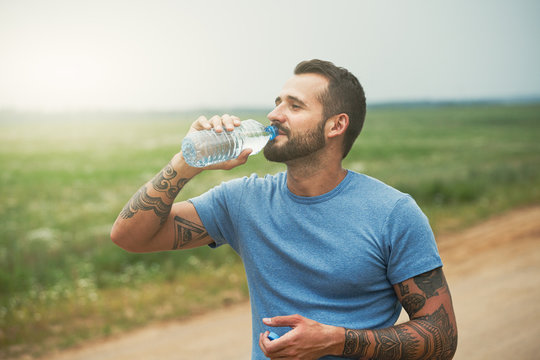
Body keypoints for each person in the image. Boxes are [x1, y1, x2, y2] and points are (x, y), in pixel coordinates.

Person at [111, 59, 458, 359]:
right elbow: (129, 237)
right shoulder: (243, 200)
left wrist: (335, 341)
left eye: (294, 106)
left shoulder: (393, 213)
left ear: (336, 125)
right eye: (277, 102)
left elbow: (441, 337)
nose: (274, 115)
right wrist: (187, 163)